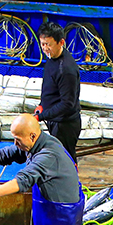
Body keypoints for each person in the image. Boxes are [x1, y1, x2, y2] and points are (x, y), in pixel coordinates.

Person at [35, 21, 81, 162]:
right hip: (54, 119)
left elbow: (67, 104)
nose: (45, 48)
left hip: (64, 124)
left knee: (66, 160)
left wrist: (41, 117)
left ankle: (74, 183)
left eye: (48, 44)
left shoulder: (66, 70)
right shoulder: (51, 58)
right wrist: (42, 104)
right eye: (42, 44)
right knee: (57, 158)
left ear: (61, 42)